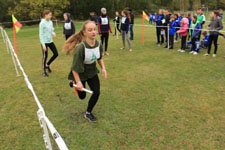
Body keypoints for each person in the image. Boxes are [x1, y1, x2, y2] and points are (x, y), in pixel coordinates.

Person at [63, 21, 107, 122]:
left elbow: (99, 58)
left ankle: (88, 113)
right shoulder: (80, 48)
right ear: (84, 32)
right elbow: (74, 68)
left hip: (92, 71)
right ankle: (74, 83)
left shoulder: (98, 44)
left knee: (96, 92)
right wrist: (78, 82)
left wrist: (103, 68)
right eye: (90, 30)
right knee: (82, 96)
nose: (93, 32)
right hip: (80, 72)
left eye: (94, 29)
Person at [39, 10, 58, 77]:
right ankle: (43, 71)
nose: (51, 16)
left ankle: (47, 65)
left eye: (51, 15)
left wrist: (53, 33)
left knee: (56, 54)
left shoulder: (50, 22)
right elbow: (41, 35)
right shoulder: (42, 23)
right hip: (44, 42)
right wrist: (43, 45)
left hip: (50, 41)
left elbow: (51, 30)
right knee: (45, 56)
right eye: (49, 15)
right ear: (45, 15)